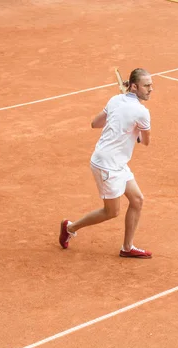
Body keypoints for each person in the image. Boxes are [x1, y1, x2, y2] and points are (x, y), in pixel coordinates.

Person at [59, 68, 153, 258]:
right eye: (146, 86)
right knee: (111, 212)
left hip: (116, 162)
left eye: (151, 85)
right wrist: (132, 131)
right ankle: (70, 227)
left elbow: (95, 123)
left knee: (137, 200)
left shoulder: (115, 100)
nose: (151, 89)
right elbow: (145, 141)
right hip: (107, 165)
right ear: (134, 86)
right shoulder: (142, 112)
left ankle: (127, 248)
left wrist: (118, 118)